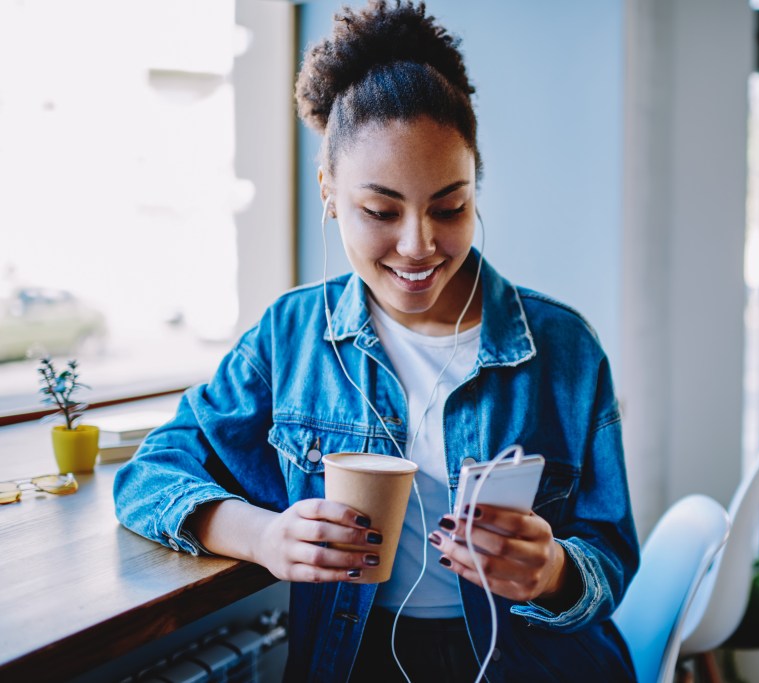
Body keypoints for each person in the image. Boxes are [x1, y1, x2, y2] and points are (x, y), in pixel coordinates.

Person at [113, 2, 639, 681]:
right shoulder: (291, 338)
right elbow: (150, 473)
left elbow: (612, 555)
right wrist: (265, 536)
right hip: (357, 660)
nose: (419, 244)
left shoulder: (563, 348)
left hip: (539, 663)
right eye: (381, 210)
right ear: (329, 191)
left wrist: (555, 569)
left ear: (476, 185)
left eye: (450, 206)